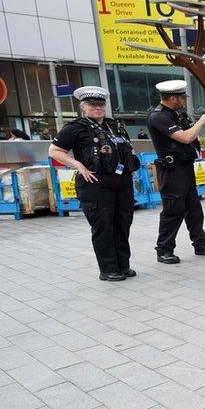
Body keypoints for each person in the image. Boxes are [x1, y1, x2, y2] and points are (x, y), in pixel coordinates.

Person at [48, 86, 140, 281]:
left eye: (101, 104)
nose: (98, 108)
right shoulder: (75, 127)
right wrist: (77, 165)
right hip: (95, 182)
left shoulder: (114, 125)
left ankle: (123, 265)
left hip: (121, 181)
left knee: (123, 223)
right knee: (103, 226)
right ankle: (108, 269)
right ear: (83, 107)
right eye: (92, 104)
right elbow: (54, 151)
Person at [146, 79, 205, 264]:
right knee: (173, 210)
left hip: (185, 167)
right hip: (171, 169)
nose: (185, 99)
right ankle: (164, 249)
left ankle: (200, 244)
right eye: (182, 97)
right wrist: (201, 122)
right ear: (172, 98)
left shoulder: (177, 114)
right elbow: (185, 137)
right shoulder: (158, 116)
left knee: (194, 208)